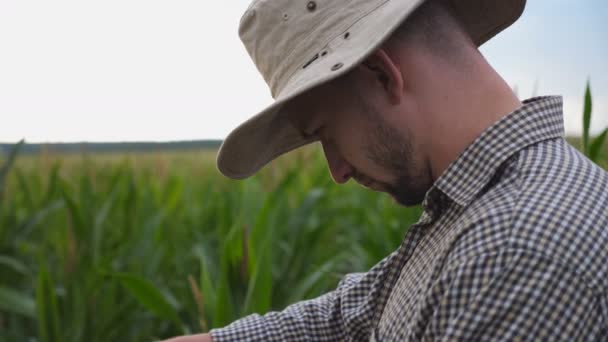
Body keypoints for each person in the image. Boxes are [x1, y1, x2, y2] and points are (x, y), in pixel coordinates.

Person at [167, 0, 608, 340]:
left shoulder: (513, 254)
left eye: (326, 133)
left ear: (381, 74)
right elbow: (350, 319)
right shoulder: (473, 210)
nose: (336, 170)